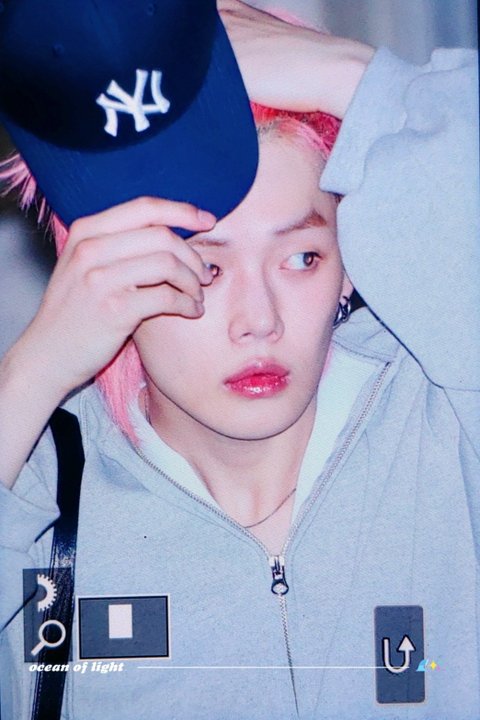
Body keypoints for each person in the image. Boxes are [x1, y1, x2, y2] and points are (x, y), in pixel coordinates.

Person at [0, 1, 478, 719]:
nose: (260, 321)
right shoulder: (39, 494)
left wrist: (354, 76)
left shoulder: (446, 417)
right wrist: (34, 369)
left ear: (350, 265)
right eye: (206, 269)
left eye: (302, 258)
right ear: (106, 283)